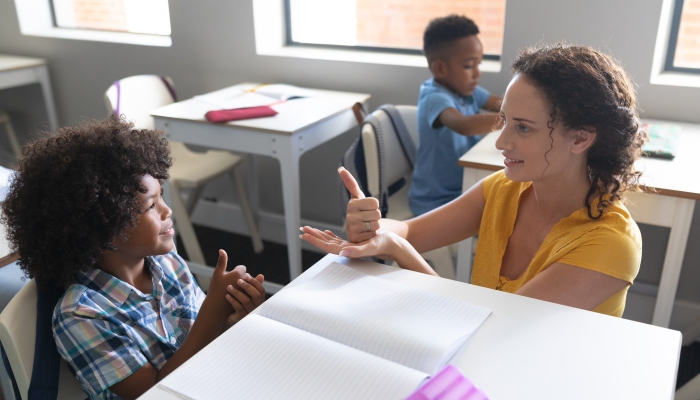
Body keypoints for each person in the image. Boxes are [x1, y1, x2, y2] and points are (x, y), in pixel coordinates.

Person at [302, 44, 647, 318]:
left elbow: (485, 327)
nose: (501, 142)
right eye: (505, 121)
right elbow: (411, 231)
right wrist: (374, 228)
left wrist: (396, 249)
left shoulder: (610, 243)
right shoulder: (504, 189)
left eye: (523, 128)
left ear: (580, 139)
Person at [0, 117, 266, 399]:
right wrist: (213, 312)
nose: (167, 211)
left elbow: (199, 338)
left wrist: (232, 316)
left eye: (161, 197)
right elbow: (155, 394)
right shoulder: (82, 315)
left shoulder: (168, 263)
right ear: (105, 228)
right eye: (151, 205)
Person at [408, 14, 502, 216]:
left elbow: (503, 104)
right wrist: (511, 121)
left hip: (464, 190)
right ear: (440, 69)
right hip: (435, 203)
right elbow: (464, 125)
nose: (477, 73)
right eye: (469, 66)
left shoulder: (469, 91)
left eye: (479, 64)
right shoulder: (434, 96)